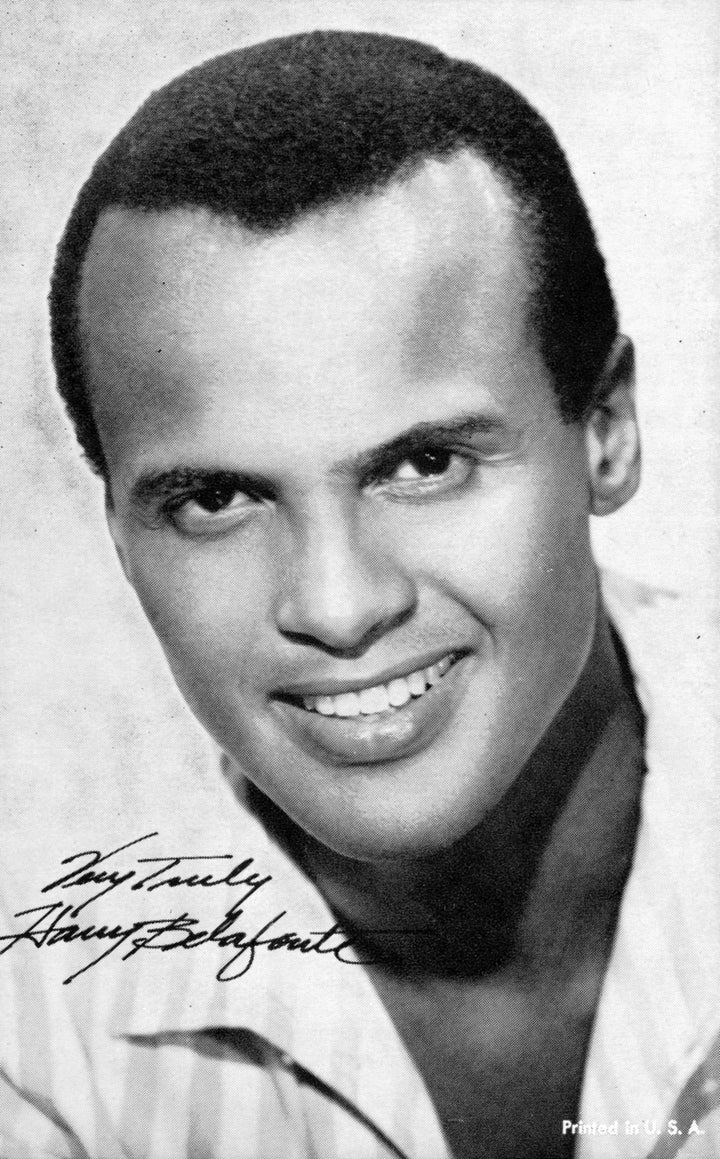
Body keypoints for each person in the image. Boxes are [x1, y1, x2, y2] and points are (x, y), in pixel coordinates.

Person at [0, 28, 717, 1159]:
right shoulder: (36, 1038)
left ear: (608, 433)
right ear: (120, 536)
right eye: (216, 498)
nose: (337, 606)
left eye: (425, 464)